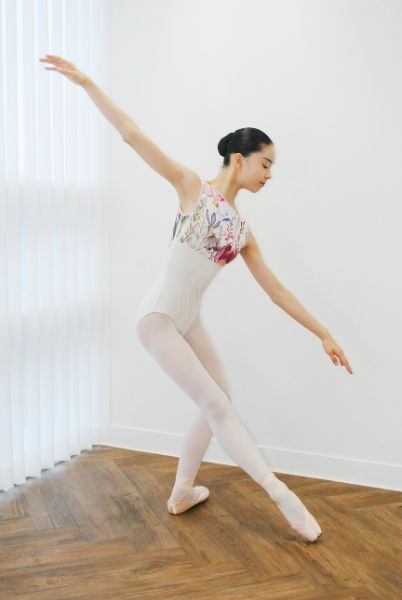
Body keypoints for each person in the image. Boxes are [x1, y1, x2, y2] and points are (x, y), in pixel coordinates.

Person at [39, 54, 354, 543]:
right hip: (158, 318)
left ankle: (182, 491)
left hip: (189, 321)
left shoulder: (243, 231)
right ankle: (281, 495)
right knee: (216, 404)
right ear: (239, 159)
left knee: (219, 400)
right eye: (266, 164)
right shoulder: (193, 188)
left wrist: (324, 333)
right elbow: (132, 134)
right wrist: (86, 83)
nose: (269, 174)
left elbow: (277, 292)